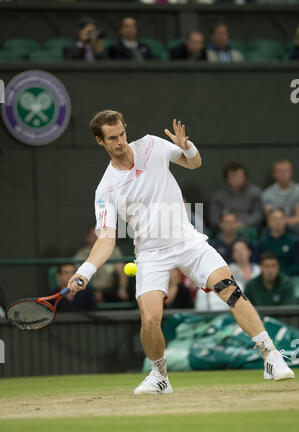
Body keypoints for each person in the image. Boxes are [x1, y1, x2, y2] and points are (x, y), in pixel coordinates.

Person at [68, 109, 294, 395]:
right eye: (112, 138)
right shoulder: (106, 189)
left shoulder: (152, 144)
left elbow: (194, 163)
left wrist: (187, 146)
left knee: (230, 289)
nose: (120, 141)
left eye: (122, 134)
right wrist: (84, 271)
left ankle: (271, 356)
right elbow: (106, 239)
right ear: (100, 142)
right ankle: (159, 376)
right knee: (150, 319)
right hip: (150, 254)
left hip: (188, 242)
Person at [74, 225, 130, 303]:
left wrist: (122, 290)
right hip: (88, 291)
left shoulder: (113, 251)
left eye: (99, 236)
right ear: (88, 238)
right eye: (94, 236)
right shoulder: (81, 254)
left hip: (109, 290)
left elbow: (121, 271)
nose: (96, 239)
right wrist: (94, 293)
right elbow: (78, 277)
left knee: (121, 297)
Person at [209, 161, 263, 231]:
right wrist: (223, 224)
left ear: (245, 177)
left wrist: (243, 223)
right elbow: (214, 218)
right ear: (227, 178)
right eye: (232, 177)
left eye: (239, 176)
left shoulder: (255, 192)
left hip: (248, 227)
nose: (236, 180)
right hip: (225, 228)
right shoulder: (218, 196)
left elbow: (258, 214)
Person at [255, 209, 299, 276]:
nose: (278, 222)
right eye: (274, 219)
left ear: (285, 221)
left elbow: (297, 265)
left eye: (280, 219)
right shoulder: (262, 243)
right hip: (267, 277)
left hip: (290, 277)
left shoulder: (295, 242)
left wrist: (281, 275)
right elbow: (257, 263)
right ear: (268, 222)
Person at [262, 159, 299, 235]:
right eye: (280, 172)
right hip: (275, 228)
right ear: (274, 174)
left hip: (295, 227)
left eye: (286, 171)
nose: (283, 174)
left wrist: (280, 221)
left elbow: (297, 218)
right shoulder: (267, 194)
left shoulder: (298, 191)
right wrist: (278, 222)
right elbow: (269, 220)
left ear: (291, 172)